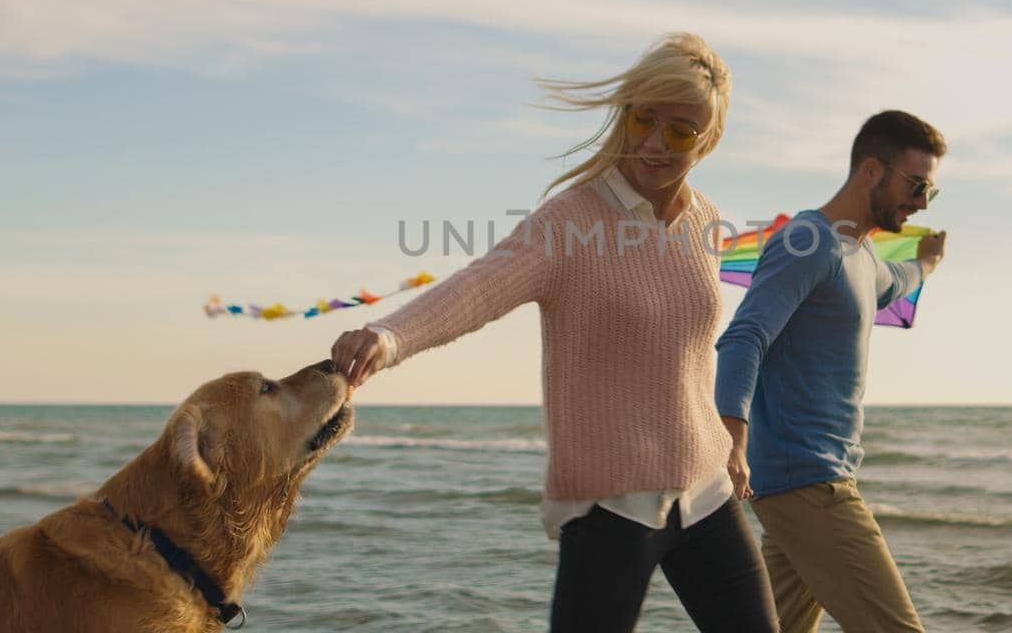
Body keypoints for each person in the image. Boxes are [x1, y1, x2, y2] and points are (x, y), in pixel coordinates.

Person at [332, 33, 779, 633]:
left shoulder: (705, 219)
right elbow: (477, 289)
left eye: (680, 130)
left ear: (710, 138)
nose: (653, 142)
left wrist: (733, 441)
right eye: (643, 118)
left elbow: (689, 349)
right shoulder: (569, 222)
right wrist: (389, 336)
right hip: (612, 506)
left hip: (708, 494)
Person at [713, 110, 947, 633]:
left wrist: (928, 263)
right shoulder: (807, 242)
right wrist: (732, 440)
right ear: (870, 170)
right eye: (915, 185)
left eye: (931, 192)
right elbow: (743, 338)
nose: (920, 202)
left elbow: (895, 281)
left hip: (806, 482)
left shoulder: (860, 256)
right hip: (810, 481)